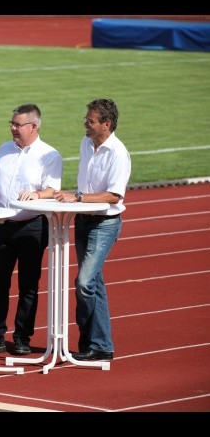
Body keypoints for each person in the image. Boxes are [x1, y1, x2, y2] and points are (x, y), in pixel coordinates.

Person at [0, 104, 63, 356]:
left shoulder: (49, 155)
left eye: (17, 124)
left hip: (32, 226)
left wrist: (37, 194)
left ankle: (22, 336)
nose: (13, 128)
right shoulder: (3, 150)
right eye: (11, 124)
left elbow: (53, 190)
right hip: (3, 225)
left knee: (28, 284)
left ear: (33, 127)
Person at [54, 98, 131, 361]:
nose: (85, 125)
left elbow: (113, 196)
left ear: (106, 124)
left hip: (104, 223)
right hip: (83, 220)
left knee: (85, 282)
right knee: (93, 283)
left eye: (90, 121)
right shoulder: (86, 144)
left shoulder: (118, 153)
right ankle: (98, 344)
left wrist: (78, 197)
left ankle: (94, 343)